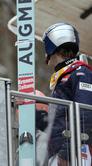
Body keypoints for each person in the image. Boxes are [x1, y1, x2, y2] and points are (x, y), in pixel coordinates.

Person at [42, 22, 92, 165]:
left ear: (52, 47)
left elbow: (85, 115)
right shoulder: (65, 76)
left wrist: (67, 152)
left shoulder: (81, 73)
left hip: (77, 151)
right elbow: (59, 120)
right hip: (62, 150)